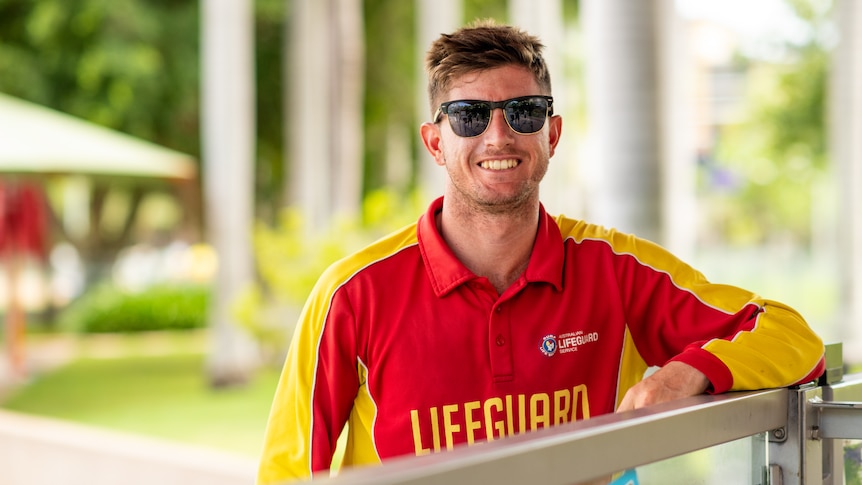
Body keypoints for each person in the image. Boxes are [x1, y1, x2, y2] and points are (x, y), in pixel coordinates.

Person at [257, 20, 825, 484]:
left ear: (551, 135)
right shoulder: (352, 295)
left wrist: (686, 374)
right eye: (469, 116)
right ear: (436, 142)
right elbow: (286, 472)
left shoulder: (614, 268)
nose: (499, 136)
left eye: (523, 112)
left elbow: (793, 337)